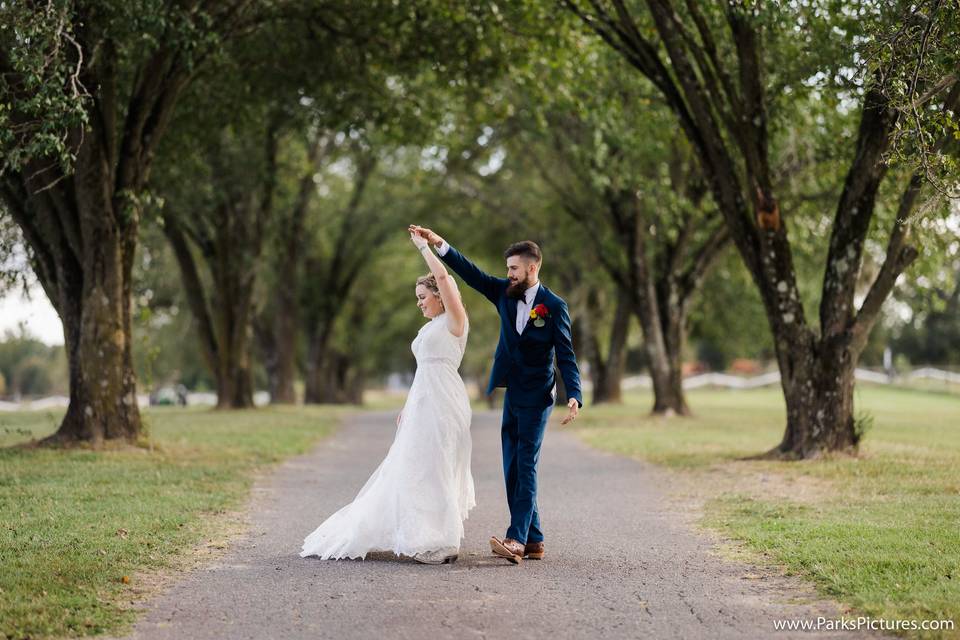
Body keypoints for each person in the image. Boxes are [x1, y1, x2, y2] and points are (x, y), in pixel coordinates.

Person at [409, 224, 583, 565]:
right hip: (511, 392)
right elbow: (471, 274)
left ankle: (516, 539)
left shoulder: (554, 306)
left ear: (532, 268)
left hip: (538, 395)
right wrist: (438, 244)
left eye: (514, 268)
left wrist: (574, 394)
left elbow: (566, 354)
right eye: (507, 269)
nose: (509, 274)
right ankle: (535, 539)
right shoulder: (504, 292)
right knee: (512, 468)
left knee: (526, 464)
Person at [299, 231, 474, 565]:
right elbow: (422, 373)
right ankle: (424, 535)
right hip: (422, 402)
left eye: (423, 296)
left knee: (436, 465)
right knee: (415, 466)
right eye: (417, 298)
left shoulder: (455, 321)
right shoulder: (429, 328)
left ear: (440, 296)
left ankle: (442, 540)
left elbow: (444, 275)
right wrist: (407, 407)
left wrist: (425, 247)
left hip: (444, 403)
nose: (419, 302)